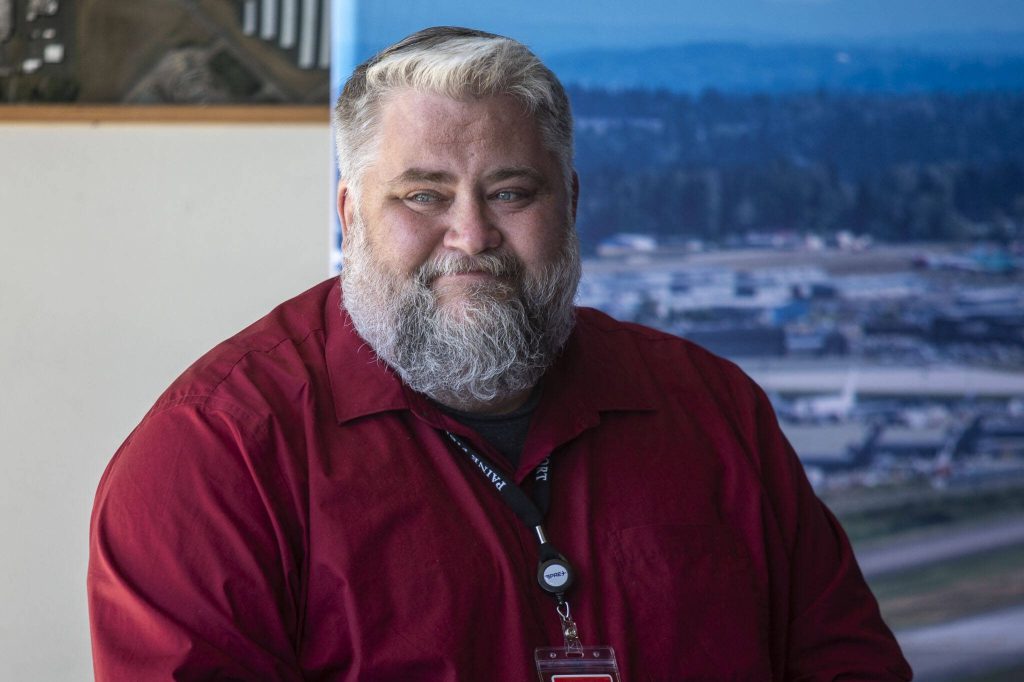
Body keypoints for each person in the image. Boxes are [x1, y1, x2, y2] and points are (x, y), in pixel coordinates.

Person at [88, 26, 912, 681]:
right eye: (423, 195)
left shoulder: (713, 409)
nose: (472, 236)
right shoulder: (214, 458)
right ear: (349, 213)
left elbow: (847, 665)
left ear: (572, 202)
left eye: (512, 192)